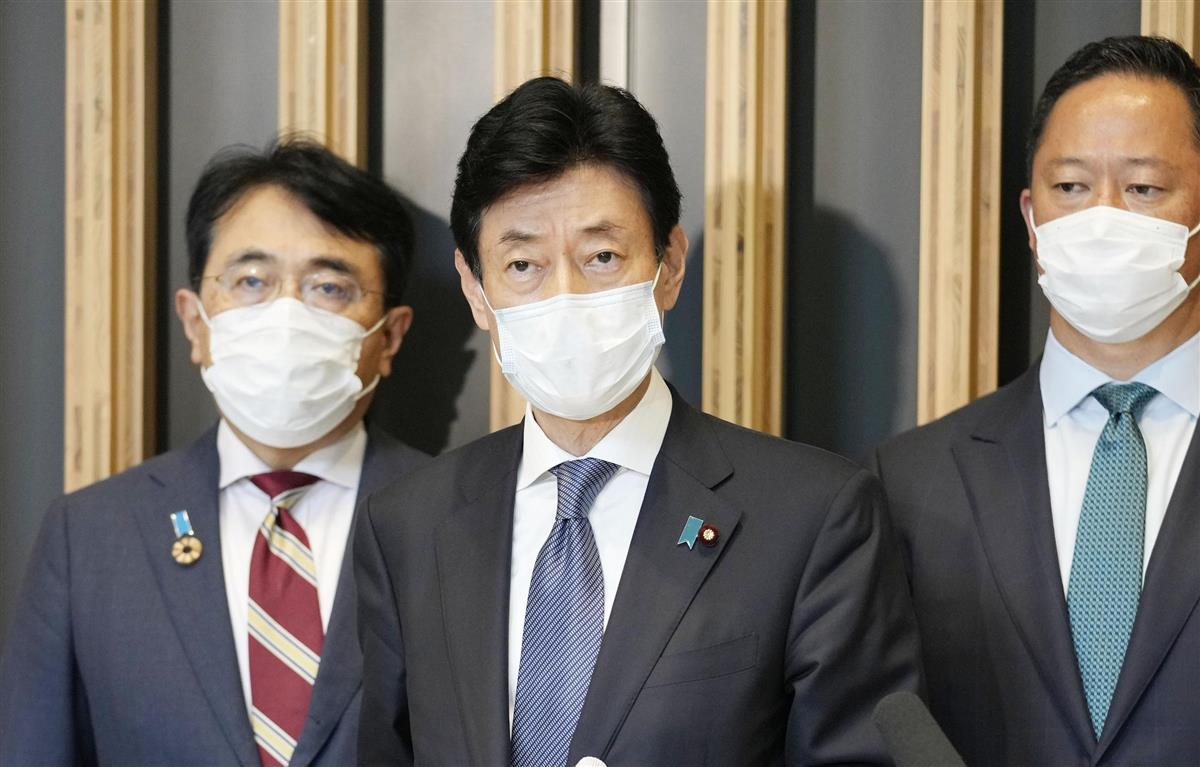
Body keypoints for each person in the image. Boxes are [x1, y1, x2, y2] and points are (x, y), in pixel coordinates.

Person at [354, 77, 921, 767]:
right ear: (476, 289)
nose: (564, 295)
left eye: (601, 257)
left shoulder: (813, 518)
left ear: (669, 265)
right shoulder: (409, 525)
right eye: (523, 264)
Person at [0, 139, 428, 767]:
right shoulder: (89, 536)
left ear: (388, 337)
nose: (286, 314)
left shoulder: (454, 522)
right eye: (251, 281)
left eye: (329, 287)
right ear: (196, 323)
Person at [874, 36, 1200, 767]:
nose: (1102, 218)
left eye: (1144, 189)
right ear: (1030, 218)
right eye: (1071, 187)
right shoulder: (912, 481)